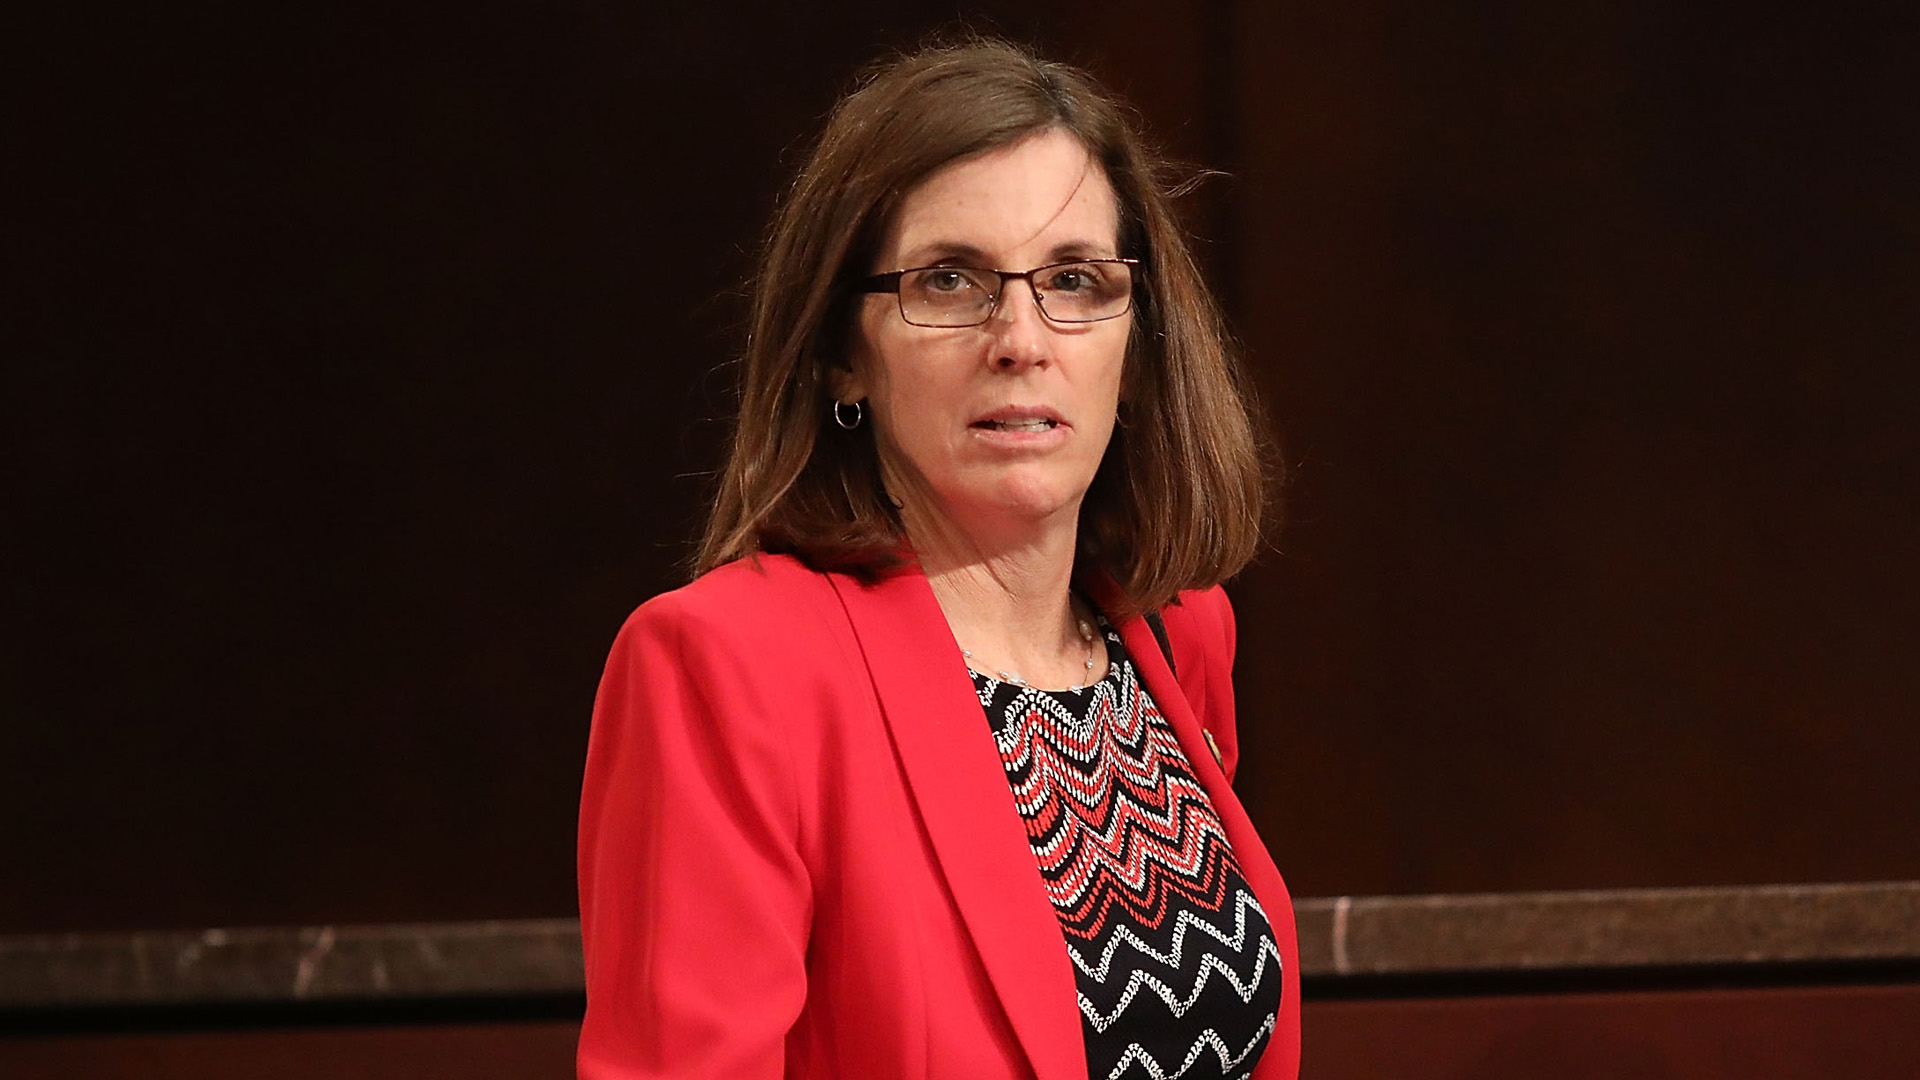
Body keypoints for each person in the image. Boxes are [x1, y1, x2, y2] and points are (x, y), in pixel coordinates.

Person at [578, 38, 1300, 1080]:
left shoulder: (1176, 633)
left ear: (1138, 350)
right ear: (841, 354)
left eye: (1075, 280)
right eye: (951, 281)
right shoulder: (726, 668)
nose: (1021, 337)